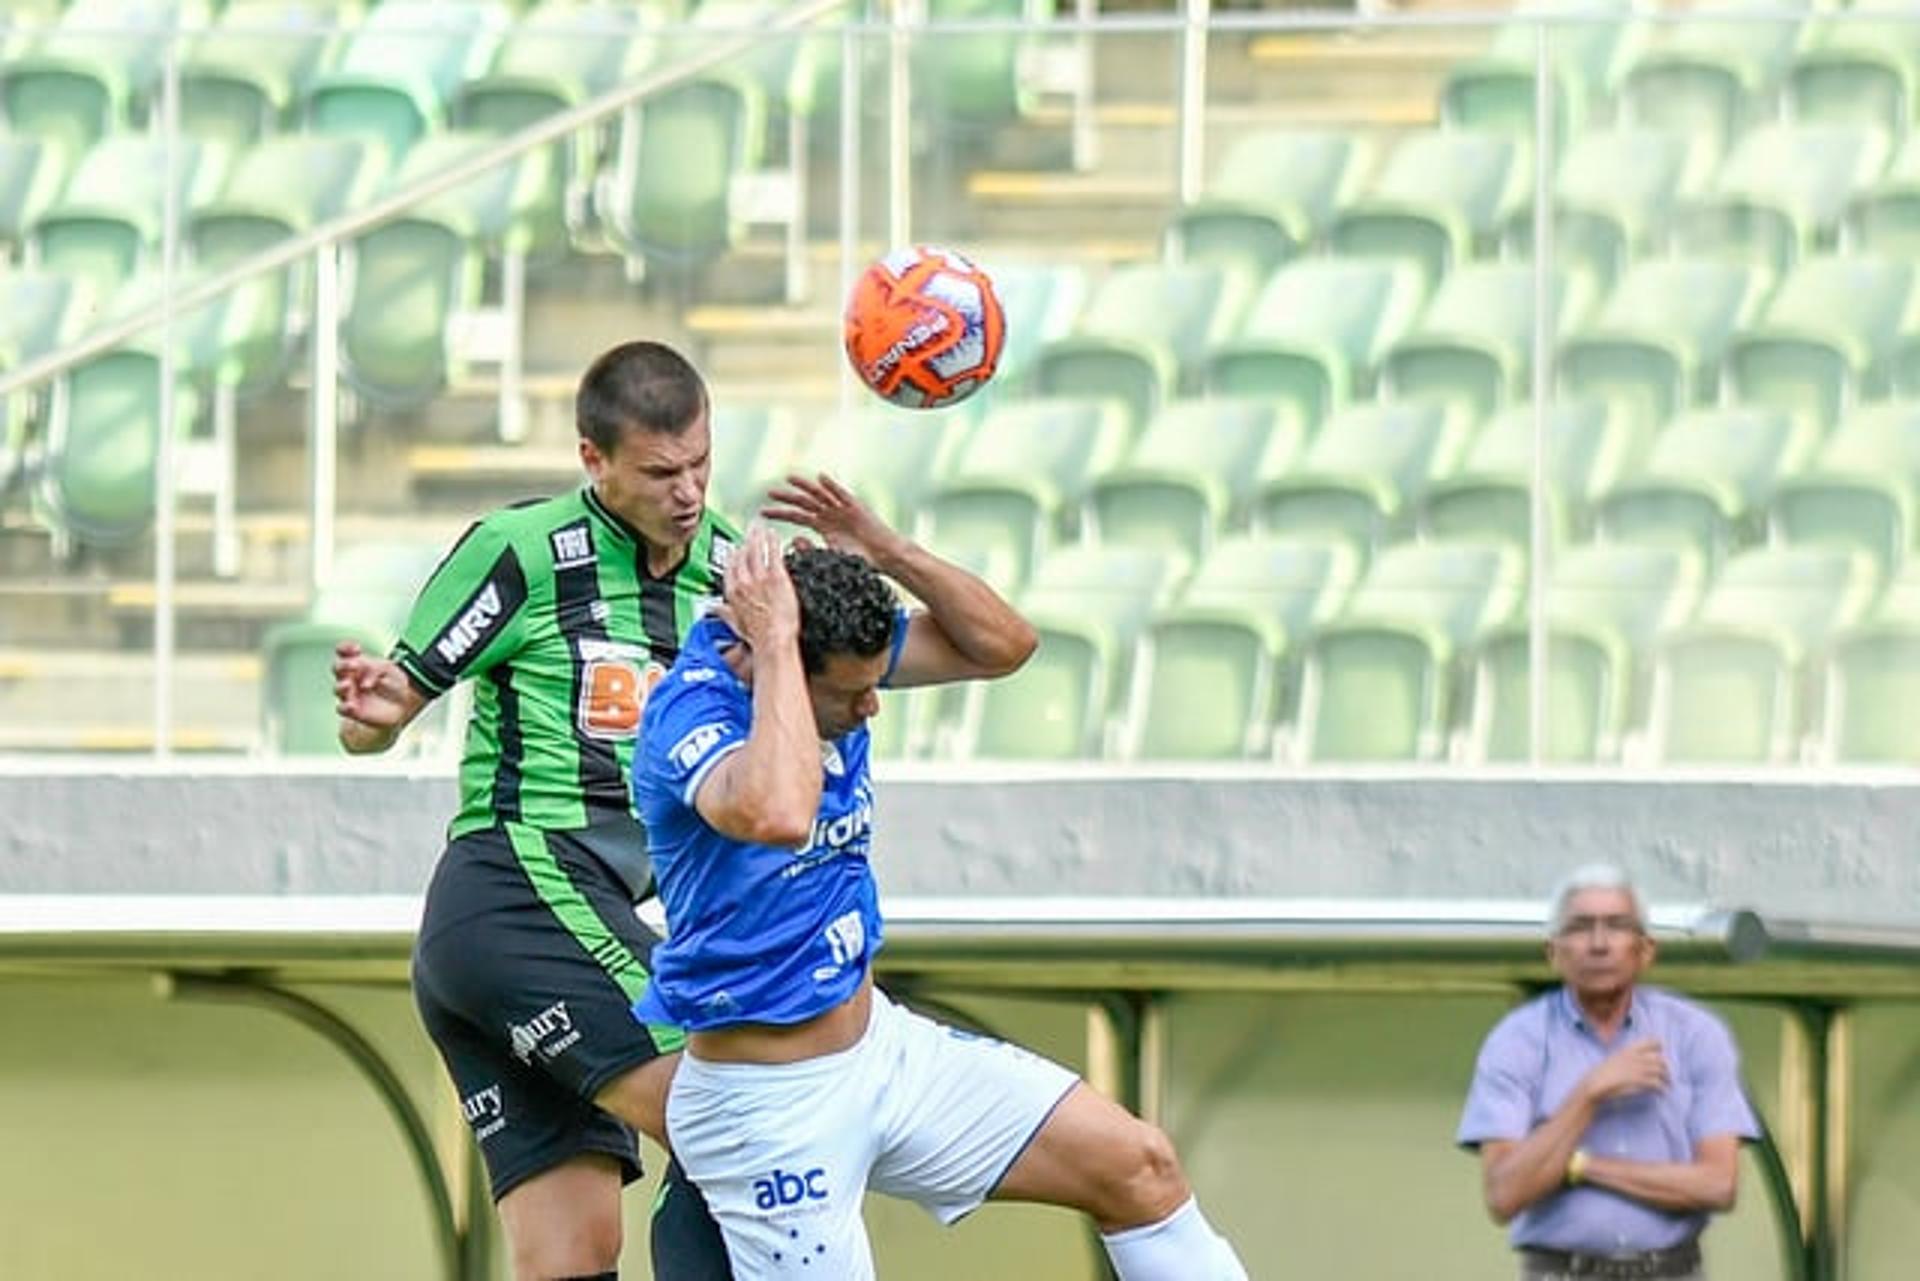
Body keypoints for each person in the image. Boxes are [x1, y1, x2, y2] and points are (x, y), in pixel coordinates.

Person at [629, 474, 1250, 1281]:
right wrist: (778, 642)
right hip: (764, 1108)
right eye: (851, 693)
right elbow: (777, 811)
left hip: (884, 1051)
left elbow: (1006, 645)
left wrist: (890, 549)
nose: (873, 706)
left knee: (1139, 1165)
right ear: (774, 653)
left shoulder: (826, 665)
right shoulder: (693, 709)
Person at [332, 339, 736, 1281]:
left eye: (702, 465)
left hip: (548, 928)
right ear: (594, 461)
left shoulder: (733, 569)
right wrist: (380, 712)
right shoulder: (521, 551)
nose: (687, 491)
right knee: (737, 1115)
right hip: (519, 887)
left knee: (572, 1252)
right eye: (660, 471)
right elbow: (390, 704)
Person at [1457, 864, 1761, 1281]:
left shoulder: (1695, 1034)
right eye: (1581, 927)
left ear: (1646, 949)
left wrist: (1579, 1166)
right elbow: (1504, 1194)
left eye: (1617, 926)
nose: (1599, 944)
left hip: (1671, 1270)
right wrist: (1589, 1093)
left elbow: (1718, 1186)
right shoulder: (1517, 1041)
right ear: (1553, 952)